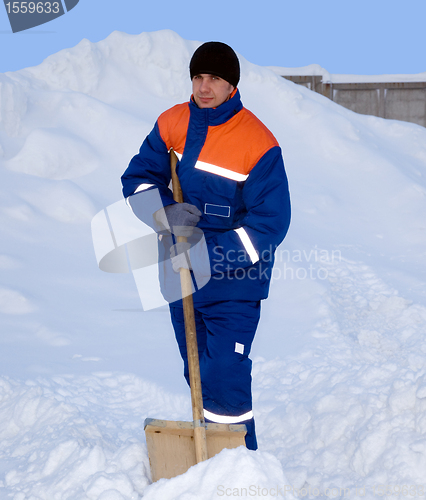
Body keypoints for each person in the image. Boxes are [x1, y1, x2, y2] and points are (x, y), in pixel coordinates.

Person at [121, 41, 291, 450]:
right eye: (198, 77)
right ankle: (207, 460)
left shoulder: (257, 141)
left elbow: (270, 223)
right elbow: (138, 179)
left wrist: (207, 254)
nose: (203, 85)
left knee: (224, 376)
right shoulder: (172, 123)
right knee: (196, 373)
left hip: (235, 283)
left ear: (231, 84)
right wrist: (166, 214)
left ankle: (238, 466)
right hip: (181, 277)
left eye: (213, 78)